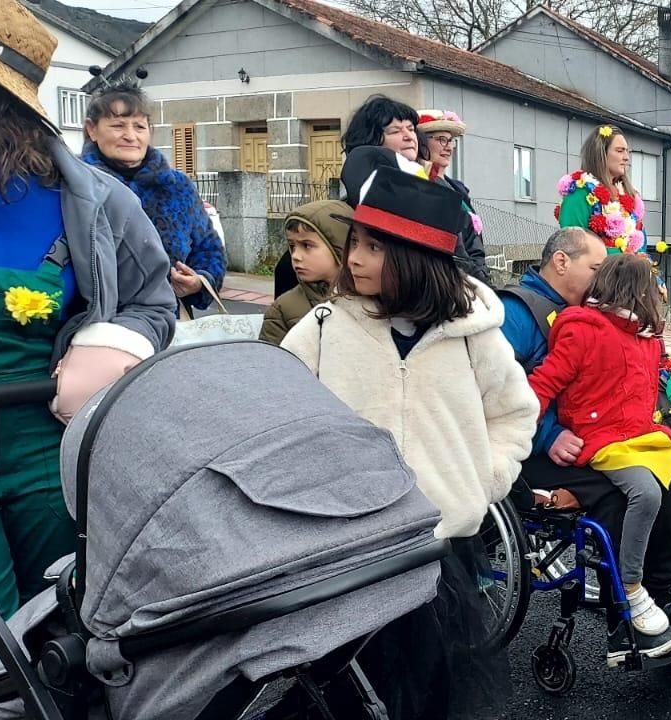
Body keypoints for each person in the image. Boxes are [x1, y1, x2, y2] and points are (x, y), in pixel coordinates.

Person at [0, 6, 177, 717]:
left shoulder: (98, 200)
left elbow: (155, 302)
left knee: (79, 631)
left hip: (59, 453)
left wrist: (116, 344)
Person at [278, 159, 535, 716]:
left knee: (439, 690)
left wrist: (481, 482)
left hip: (446, 549)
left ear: (414, 258)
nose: (354, 258)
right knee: (353, 689)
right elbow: (278, 418)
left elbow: (515, 414)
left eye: (374, 247)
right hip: (352, 550)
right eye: (355, 243)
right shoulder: (324, 328)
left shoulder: (475, 338)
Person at [498, 227, 671, 660]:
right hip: (532, 448)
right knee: (631, 489)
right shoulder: (518, 312)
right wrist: (549, 433)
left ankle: (663, 591)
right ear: (562, 262)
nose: (602, 278)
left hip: (587, 433)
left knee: (662, 472)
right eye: (595, 268)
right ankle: (628, 613)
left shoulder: (588, 315)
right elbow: (501, 394)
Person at [81, 80, 225, 314]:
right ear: (92, 129)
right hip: (94, 323)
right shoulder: (75, 185)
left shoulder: (176, 187)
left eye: (139, 126)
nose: (130, 136)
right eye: (118, 125)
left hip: (165, 322)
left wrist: (199, 280)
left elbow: (209, 249)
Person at [275, 94, 422, 296]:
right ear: (370, 141)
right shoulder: (342, 218)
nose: (409, 136)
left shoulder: (430, 192)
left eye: (411, 129)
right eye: (395, 131)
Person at [556, 124, 668, 299]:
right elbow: (572, 247)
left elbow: (639, 248)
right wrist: (624, 260)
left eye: (627, 152)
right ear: (601, 153)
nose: (626, 158)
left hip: (627, 292)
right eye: (620, 151)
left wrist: (652, 276)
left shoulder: (628, 198)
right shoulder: (579, 194)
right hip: (593, 293)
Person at [416, 108, 490, 283]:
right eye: (441, 140)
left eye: (451, 141)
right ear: (422, 143)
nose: (448, 147)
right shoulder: (423, 185)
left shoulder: (458, 188)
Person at [259, 199, 347, 344]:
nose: (295, 256)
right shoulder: (283, 310)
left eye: (307, 245)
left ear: (338, 247)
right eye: (292, 246)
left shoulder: (370, 301)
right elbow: (269, 363)